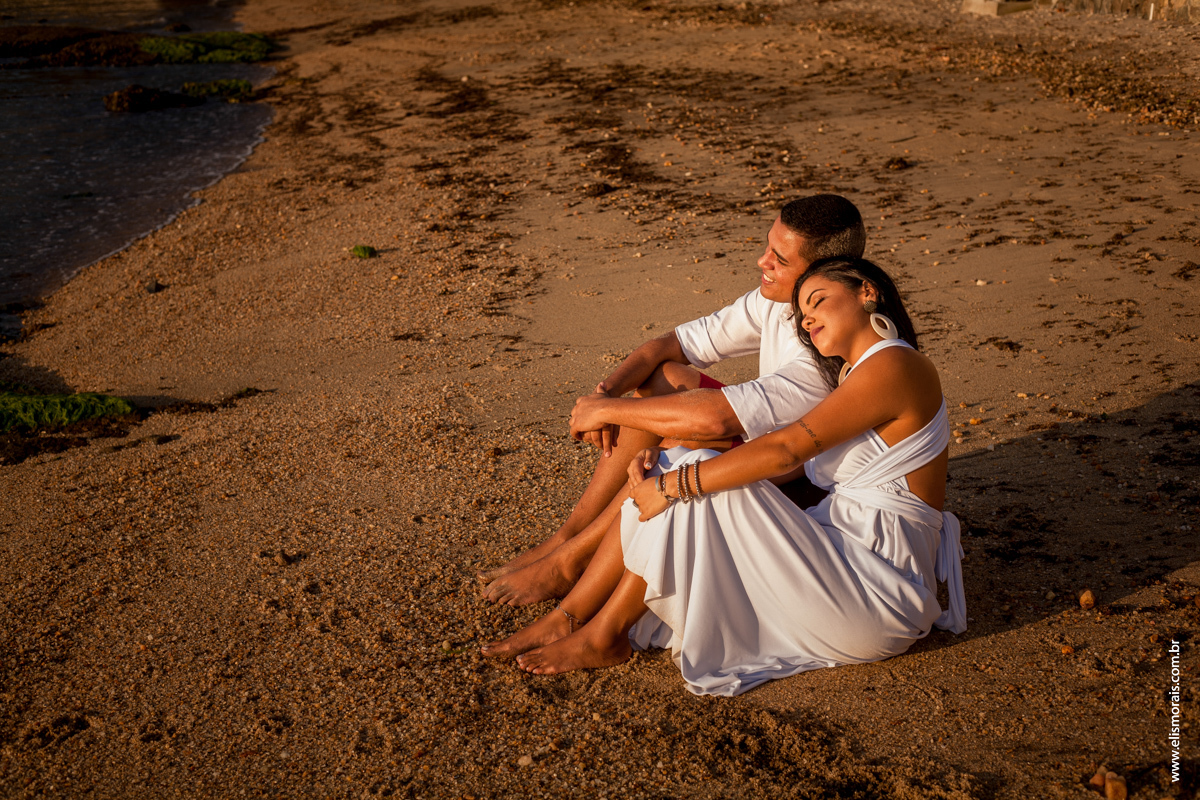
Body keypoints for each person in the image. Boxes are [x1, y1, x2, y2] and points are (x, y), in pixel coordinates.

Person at [483, 257, 967, 697]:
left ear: (866, 291)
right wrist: (669, 458)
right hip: (844, 561)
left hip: (877, 590)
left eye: (818, 301)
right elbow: (792, 465)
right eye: (801, 314)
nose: (808, 319)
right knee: (685, 464)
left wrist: (676, 482)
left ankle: (591, 627)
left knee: (688, 476)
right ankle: (580, 619)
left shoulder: (897, 365)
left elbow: (786, 449)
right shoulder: (856, 375)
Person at [478, 195, 867, 607]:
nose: (761, 262)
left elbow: (718, 421)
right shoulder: (780, 303)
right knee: (663, 380)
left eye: (779, 260)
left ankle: (571, 562)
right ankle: (569, 535)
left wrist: (609, 411)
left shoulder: (826, 354)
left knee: (683, 442)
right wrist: (605, 394)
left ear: (826, 273)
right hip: (771, 451)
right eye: (768, 246)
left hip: (809, 492)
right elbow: (670, 345)